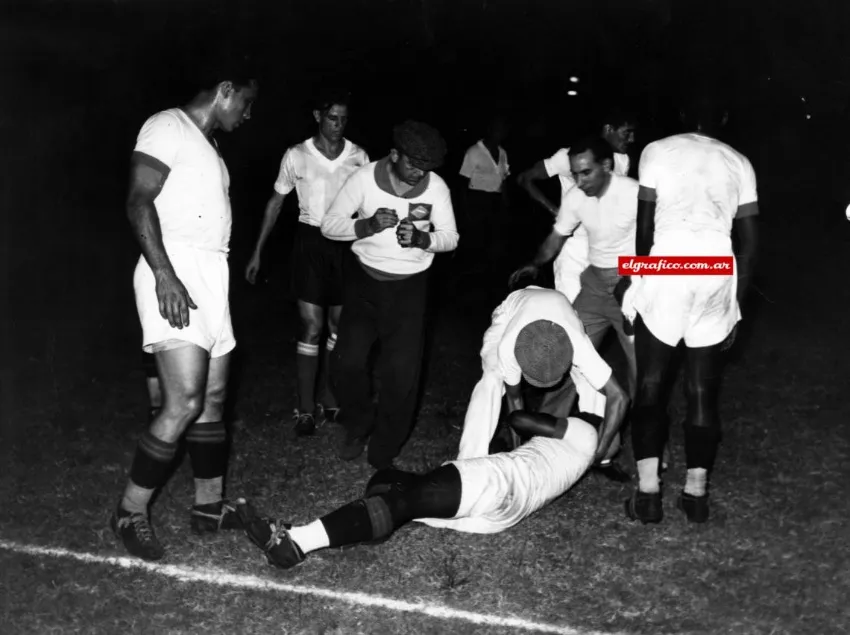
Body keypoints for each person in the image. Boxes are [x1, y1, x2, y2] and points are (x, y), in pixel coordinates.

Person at [235, 316, 628, 569]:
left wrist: (535, 405)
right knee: (392, 482)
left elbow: (519, 417)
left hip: (502, 481)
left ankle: (296, 543)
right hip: (503, 513)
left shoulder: (585, 433)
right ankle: (322, 526)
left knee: (398, 498)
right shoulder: (579, 454)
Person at [111, 63, 258, 561]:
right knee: (184, 399)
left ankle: (209, 507)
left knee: (213, 398)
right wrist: (165, 276)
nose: (248, 114)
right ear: (224, 91)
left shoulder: (211, 147)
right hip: (173, 267)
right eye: (245, 103)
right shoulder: (166, 125)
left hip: (212, 274)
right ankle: (130, 511)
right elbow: (137, 202)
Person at [622, 88, 759, 524]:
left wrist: (636, 278)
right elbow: (751, 245)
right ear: (723, 116)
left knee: (651, 384)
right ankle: (696, 494)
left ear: (682, 114)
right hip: (717, 269)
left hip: (669, 264)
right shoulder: (740, 162)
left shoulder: (656, 151)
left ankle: (648, 494)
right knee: (703, 390)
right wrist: (736, 303)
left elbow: (645, 230)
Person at [320, 120, 459, 470]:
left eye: (426, 166)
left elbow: (451, 237)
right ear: (394, 154)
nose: (418, 172)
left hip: (410, 289)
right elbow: (330, 224)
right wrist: (366, 226)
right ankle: (359, 422)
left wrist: (424, 239)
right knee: (346, 364)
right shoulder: (364, 178)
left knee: (401, 376)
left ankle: (384, 446)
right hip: (364, 284)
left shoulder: (436, 188)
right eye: (412, 163)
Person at [510, 137, 639, 479]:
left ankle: (638, 451)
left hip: (633, 288)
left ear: (607, 167)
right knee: (567, 355)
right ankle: (543, 436)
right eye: (575, 174)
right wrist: (534, 263)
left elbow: (658, 238)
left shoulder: (634, 193)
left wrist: (638, 275)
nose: (579, 182)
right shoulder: (576, 197)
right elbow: (556, 237)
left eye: (586, 173)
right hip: (595, 286)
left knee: (642, 372)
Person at [245, 92, 370, 435]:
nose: (338, 125)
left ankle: (330, 400)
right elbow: (275, 203)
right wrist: (257, 250)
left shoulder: (358, 156)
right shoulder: (297, 155)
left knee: (336, 328)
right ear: (318, 115)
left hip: (345, 244)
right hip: (310, 243)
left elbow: (367, 207)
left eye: (344, 119)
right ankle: (304, 410)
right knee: (311, 327)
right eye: (332, 118)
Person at [454, 285, 628, 462]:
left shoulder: (576, 343)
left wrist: (603, 448)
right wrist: (518, 454)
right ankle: (469, 458)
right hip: (510, 313)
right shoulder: (509, 347)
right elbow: (514, 400)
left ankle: (596, 452)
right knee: (492, 378)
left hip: (561, 310)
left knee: (590, 382)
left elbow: (619, 397)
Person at [517, 110, 636, 302]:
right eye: (626, 132)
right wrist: (555, 212)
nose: (631, 139)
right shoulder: (569, 156)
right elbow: (525, 179)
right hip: (574, 251)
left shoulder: (623, 160)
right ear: (609, 129)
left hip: (607, 251)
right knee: (573, 314)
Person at [458, 114, 511, 274]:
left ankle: (488, 275)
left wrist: (505, 200)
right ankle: (468, 273)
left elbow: (504, 178)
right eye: (497, 129)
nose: (500, 133)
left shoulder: (502, 153)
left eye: (503, 130)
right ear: (489, 130)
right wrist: (465, 210)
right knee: (475, 240)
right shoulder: (473, 151)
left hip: (495, 200)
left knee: (494, 240)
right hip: (477, 199)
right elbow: (462, 183)